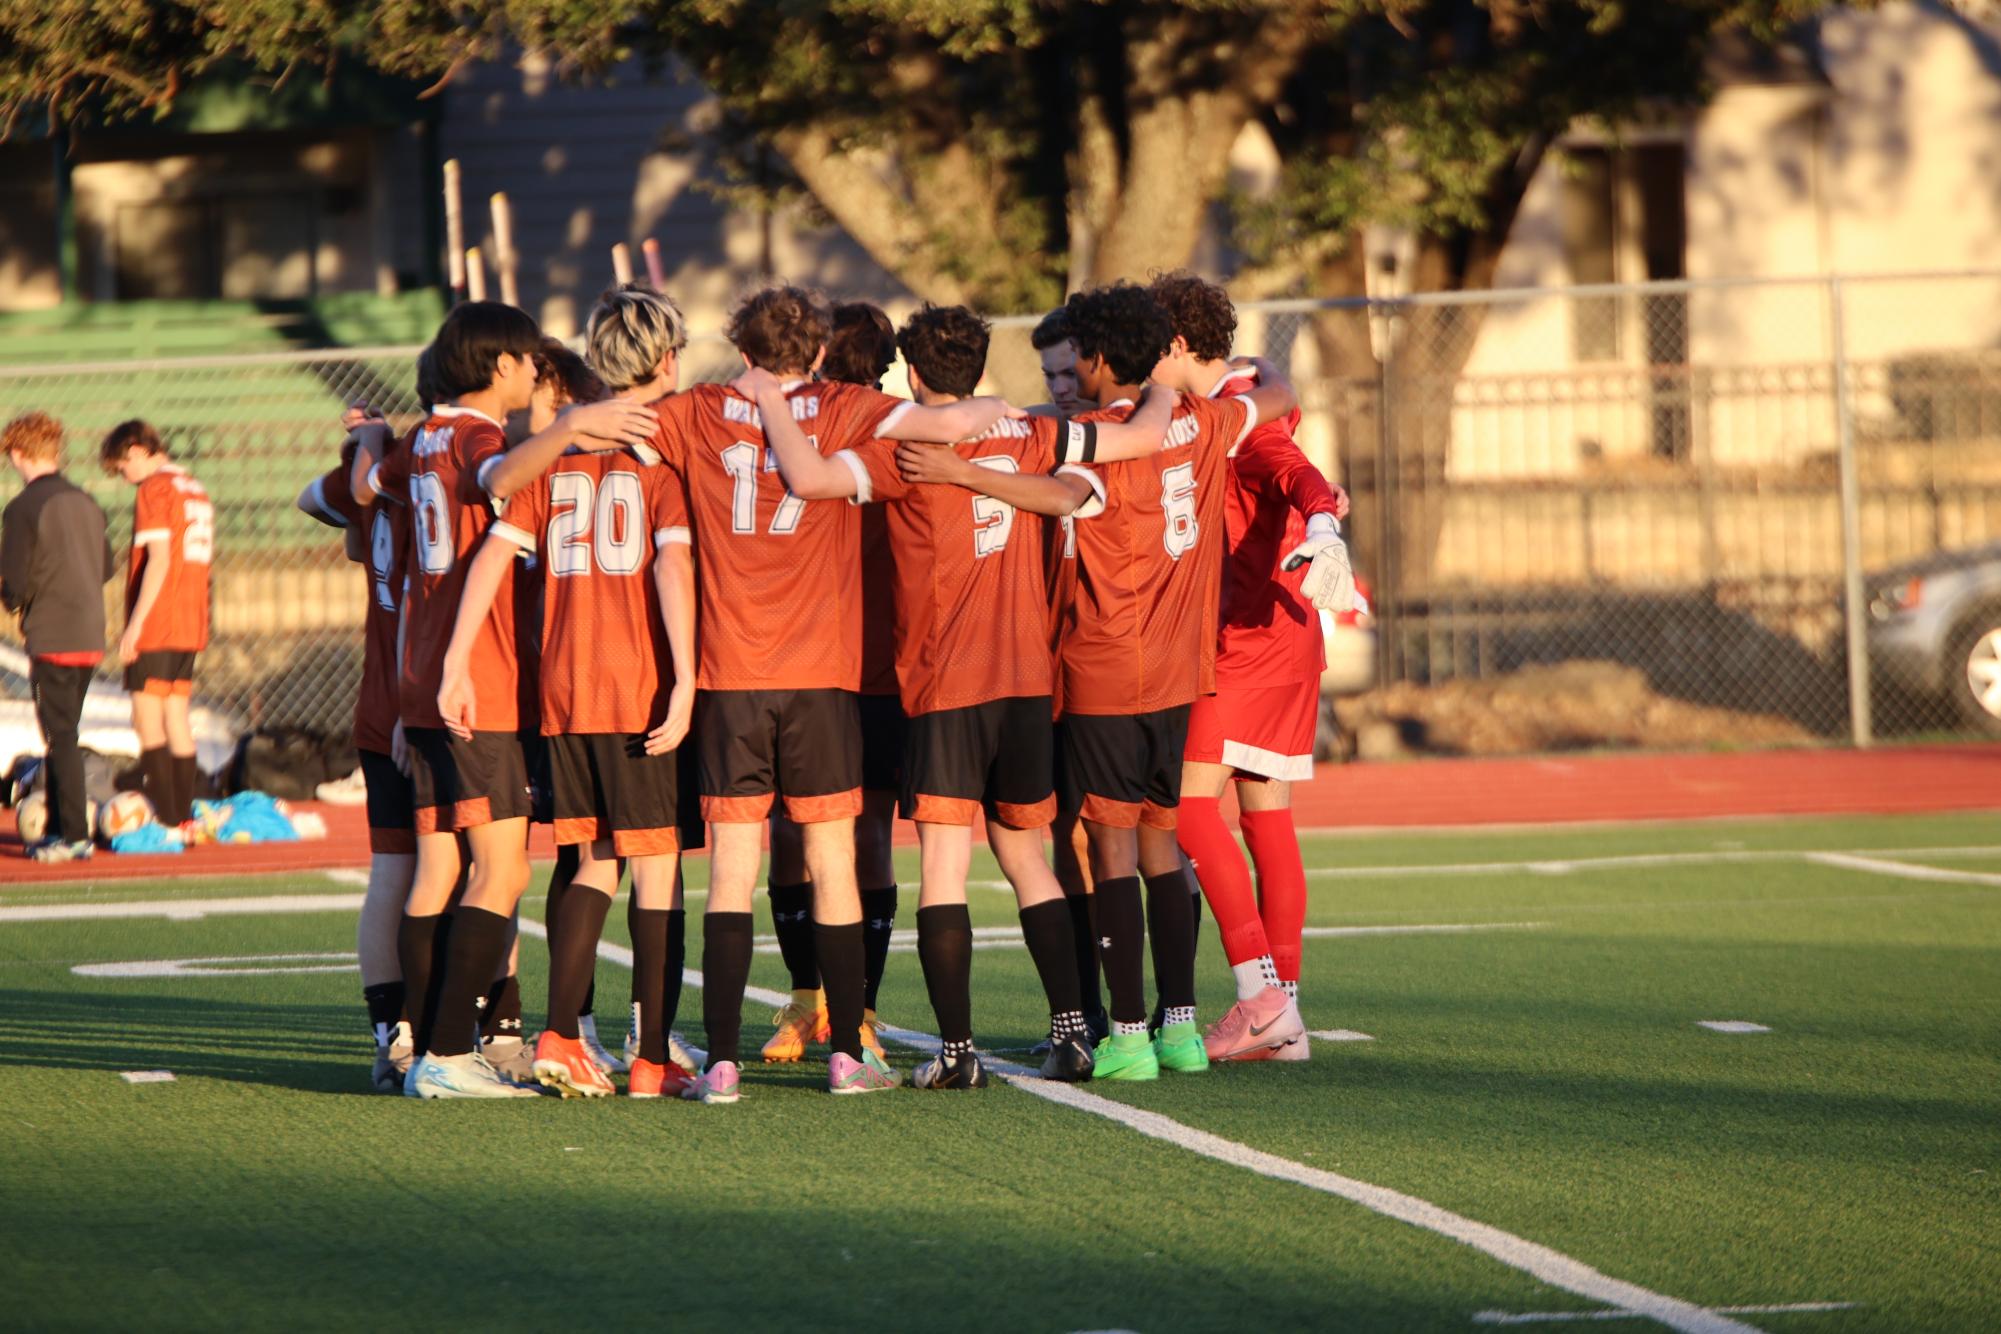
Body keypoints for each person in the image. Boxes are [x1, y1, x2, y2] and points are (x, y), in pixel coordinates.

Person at [766, 302, 1171, 1088]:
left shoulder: (910, 452)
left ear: (912, 376)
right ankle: (1071, 1033)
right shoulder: (1032, 431)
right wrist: (1167, 386)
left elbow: (809, 479)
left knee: (944, 869)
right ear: (978, 367)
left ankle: (957, 1055)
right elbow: (1120, 457)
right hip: (1025, 683)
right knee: (1028, 858)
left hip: (947, 686)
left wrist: (770, 400)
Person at [641, 284, 1015, 1103]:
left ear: (741, 352)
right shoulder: (844, 404)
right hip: (821, 675)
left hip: (731, 673)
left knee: (732, 872)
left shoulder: (696, 410)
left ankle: (725, 1062)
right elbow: (956, 423)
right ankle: (848, 1053)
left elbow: (621, 421)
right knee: (833, 861)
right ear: (816, 352)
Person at [922, 282, 1296, 1081]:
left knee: (1110, 848)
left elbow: (1061, 492)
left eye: (1072, 363)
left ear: (1096, 359)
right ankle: (1181, 1032)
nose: (1066, 377)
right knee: (1163, 846)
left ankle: (1126, 1034)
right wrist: (1239, 374)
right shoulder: (1203, 421)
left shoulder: (1094, 438)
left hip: (1104, 666)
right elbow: (1277, 394)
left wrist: (966, 477)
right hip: (1179, 670)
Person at [355, 301, 657, 1099]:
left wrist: (365, 440)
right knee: (501, 872)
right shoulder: (475, 436)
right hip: (476, 677)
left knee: (440, 867)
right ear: (497, 367)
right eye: (525, 361)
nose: (533, 373)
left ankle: (422, 1047)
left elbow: (360, 485)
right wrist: (572, 429)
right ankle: (449, 1055)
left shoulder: (419, 438)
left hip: (419, 677)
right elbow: (497, 478)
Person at [439, 287, 701, 1100]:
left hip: (562, 684)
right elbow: (673, 565)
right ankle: (651, 1053)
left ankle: (564, 1032)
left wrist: (455, 658)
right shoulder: (664, 446)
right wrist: (688, 677)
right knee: (654, 869)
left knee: (590, 860)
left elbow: (491, 553)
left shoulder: (559, 450)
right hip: (635, 682)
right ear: (664, 359)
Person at [1147, 272, 1357, 1062]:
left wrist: (1325, 521)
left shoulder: (1239, 417)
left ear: (1173, 345)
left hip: (1246, 639)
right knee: (1265, 815)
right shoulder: (1242, 393)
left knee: (1188, 808)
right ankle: (1284, 1017)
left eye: (1147, 349)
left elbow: (1291, 466)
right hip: (1284, 634)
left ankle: (1257, 994)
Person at [760, 300, 903, 1065]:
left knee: (851, 837)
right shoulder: (780, 424)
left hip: (871, 663)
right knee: (800, 835)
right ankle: (811, 998)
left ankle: (854, 1007)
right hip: (808, 659)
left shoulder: (887, 426)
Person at [298, 398, 417, 1090]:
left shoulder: (374, 473)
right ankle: (488, 1033)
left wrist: (366, 451)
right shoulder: (438, 466)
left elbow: (315, 501)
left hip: (380, 704)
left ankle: (389, 1036)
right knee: (478, 871)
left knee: (392, 875)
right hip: (434, 701)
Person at [1, 412, 114, 864]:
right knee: (65, 731)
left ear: (17, 454)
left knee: (60, 735)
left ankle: (73, 835)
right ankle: (57, 825)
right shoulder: (86, 500)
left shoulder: (24, 507)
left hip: (52, 634)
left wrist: (12, 597)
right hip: (90, 630)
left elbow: (15, 584)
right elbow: (106, 566)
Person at [101, 419, 213, 828]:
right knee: (176, 717)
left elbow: (160, 560)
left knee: (147, 719)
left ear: (136, 450)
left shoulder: (155, 487)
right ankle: (183, 817)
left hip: (160, 618)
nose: (124, 476)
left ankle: (167, 820)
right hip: (190, 618)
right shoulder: (194, 487)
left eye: (121, 466)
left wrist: (134, 625)